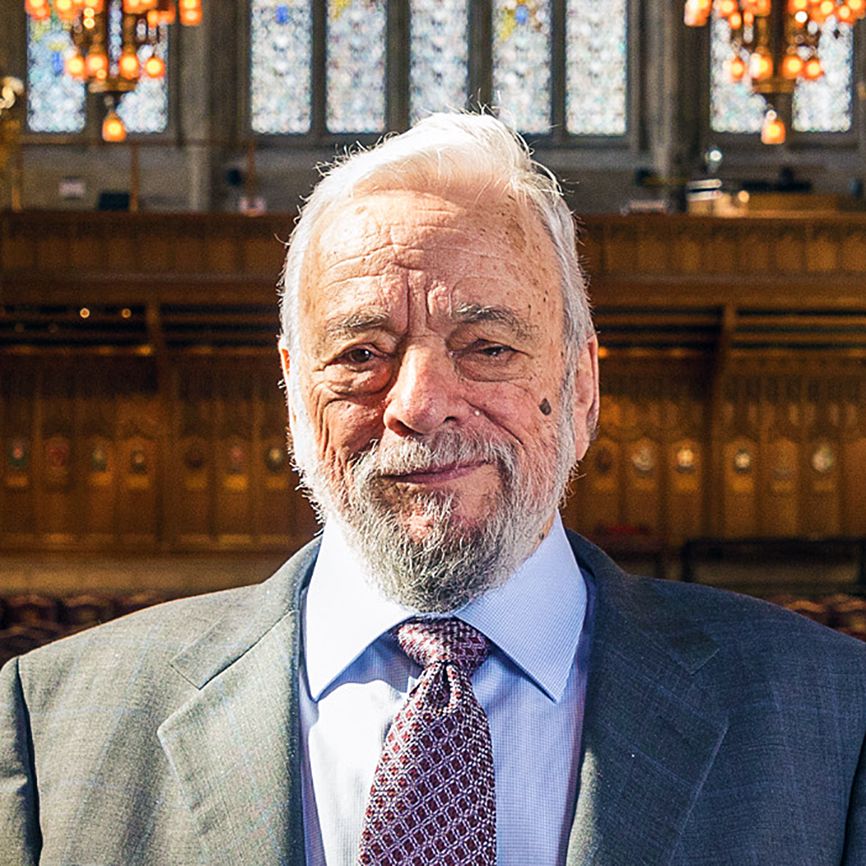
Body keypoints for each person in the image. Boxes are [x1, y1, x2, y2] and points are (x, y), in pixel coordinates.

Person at [1, 112, 865, 866]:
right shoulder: (54, 725)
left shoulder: (833, 719)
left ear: (581, 388)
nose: (419, 406)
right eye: (361, 354)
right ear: (295, 390)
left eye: (487, 347)